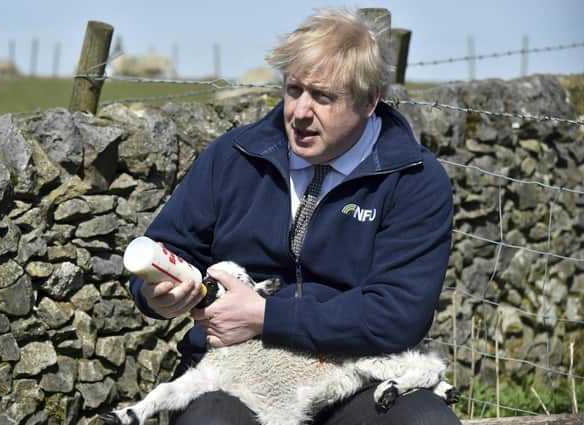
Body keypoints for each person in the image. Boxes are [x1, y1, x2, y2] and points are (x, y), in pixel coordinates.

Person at [129, 8, 459, 425]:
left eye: (322, 97)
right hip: (237, 373)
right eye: (294, 89)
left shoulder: (414, 179)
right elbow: (168, 248)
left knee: (426, 423)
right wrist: (157, 295)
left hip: (354, 374)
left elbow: (397, 314)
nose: (300, 112)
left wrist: (266, 317)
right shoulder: (234, 157)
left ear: (369, 100)